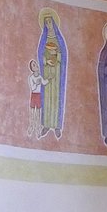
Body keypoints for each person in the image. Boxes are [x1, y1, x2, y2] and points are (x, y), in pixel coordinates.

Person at [37, 10, 67, 138]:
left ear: (54, 23)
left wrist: (57, 57)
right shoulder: (44, 39)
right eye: (46, 22)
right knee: (47, 98)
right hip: (47, 71)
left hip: (57, 72)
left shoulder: (59, 39)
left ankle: (57, 126)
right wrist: (46, 60)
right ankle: (46, 124)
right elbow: (40, 54)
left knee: (56, 99)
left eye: (50, 22)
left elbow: (63, 55)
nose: (48, 24)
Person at [27, 58, 47, 137]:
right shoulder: (31, 77)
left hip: (39, 95)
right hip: (34, 95)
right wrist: (36, 83)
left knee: (38, 113)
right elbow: (32, 88)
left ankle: (38, 128)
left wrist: (49, 79)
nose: (36, 66)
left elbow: (44, 82)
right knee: (32, 112)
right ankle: (32, 126)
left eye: (36, 64)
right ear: (32, 69)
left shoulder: (40, 76)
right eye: (34, 65)